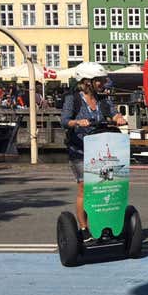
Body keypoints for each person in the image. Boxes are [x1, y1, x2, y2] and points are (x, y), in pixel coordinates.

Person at [60, 62, 126, 243]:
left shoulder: (103, 100)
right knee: (85, 189)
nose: (102, 83)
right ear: (87, 81)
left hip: (101, 152)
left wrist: (118, 118)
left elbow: (113, 114)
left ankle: (104, 225)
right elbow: (64, 121)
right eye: (99, 80)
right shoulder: (72, 99)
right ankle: (83, 228)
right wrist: (77, 123)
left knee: (105, 188)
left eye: (103, 80)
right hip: (80, 150)